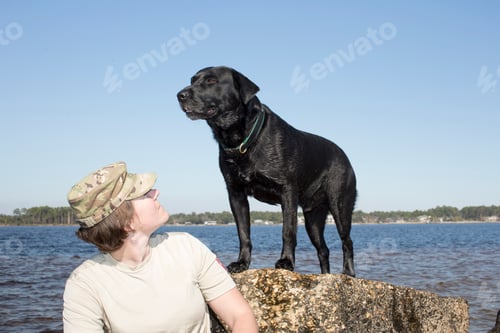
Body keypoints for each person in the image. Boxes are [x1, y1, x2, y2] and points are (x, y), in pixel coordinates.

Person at [63, 161, 259, 333]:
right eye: (144, 193)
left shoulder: (186, 246)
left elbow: (240, 316)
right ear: (125, 222)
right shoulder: (84, 284)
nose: (156, 193)